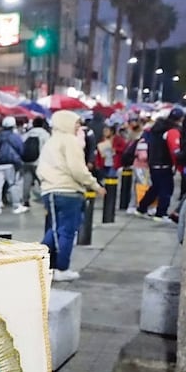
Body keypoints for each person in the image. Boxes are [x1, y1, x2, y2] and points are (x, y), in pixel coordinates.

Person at [36, 110, 106, 282]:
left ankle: (38, 262)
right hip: (68, 192)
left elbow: (40, 169)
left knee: (55, 229)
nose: (79, 127)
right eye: (76, 123)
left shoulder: (51, 142)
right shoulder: (70, 141)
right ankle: (61, 268)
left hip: (50, 191)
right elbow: (78, 169)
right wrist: (95, 185)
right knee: (66, 232)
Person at [137, 108, 183, 221]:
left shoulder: (155, 130)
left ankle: (141, 208)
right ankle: (161, 213)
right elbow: (174, 149)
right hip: (164, 163)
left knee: (156, 188)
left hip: (153, 162)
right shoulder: (171, 131)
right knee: (166, 189)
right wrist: (176, 163)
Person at [0, 116, 26, 215]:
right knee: (12, 184)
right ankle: (16, 206)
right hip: (11, 164)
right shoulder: (15, 136)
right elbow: (21, 149)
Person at [20, 117, 51, 209]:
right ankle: (47, 200)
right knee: (43, 182)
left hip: (26, 162)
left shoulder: (26, 134)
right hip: (39, 162)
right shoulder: (45, 134)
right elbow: (48, 149)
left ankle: (25, 201)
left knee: (27, 182)